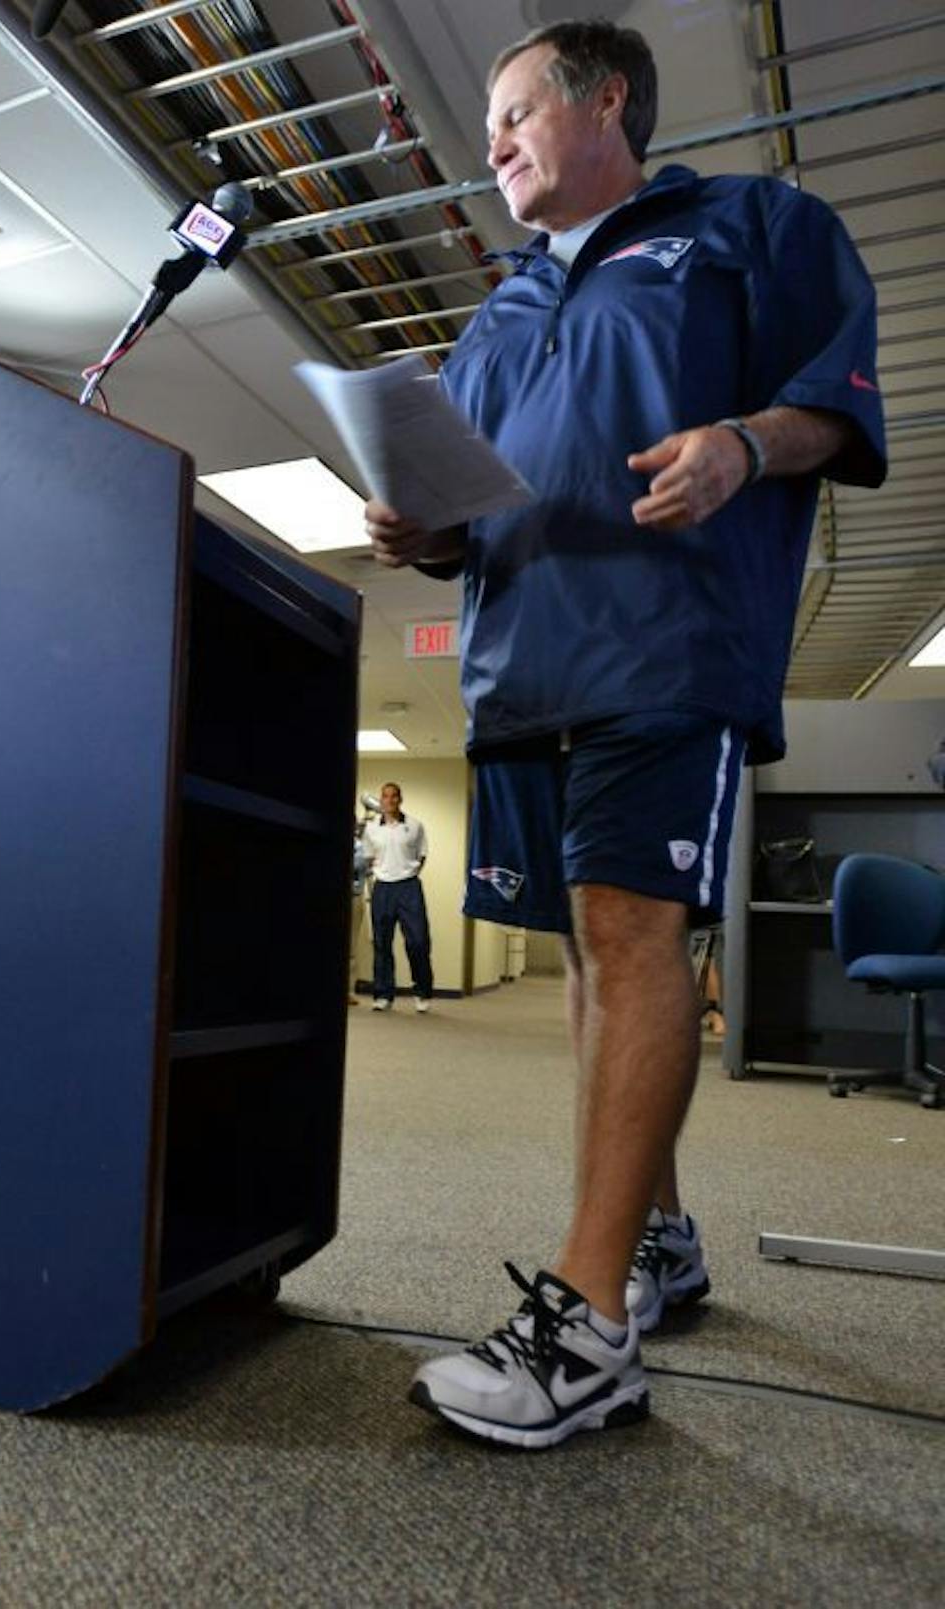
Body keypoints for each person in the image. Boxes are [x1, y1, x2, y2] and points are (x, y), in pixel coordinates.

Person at [366, 20, 886, 1448]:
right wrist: (415, 532)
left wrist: (742, 445)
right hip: (523, 667)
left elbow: (837, 405)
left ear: (607, 101)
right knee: (598, 954)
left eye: (514, 111)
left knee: (634, 932)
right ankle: (660, 1239)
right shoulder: (501, 313)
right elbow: (457, 521)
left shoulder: (744, 225)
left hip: (671, 637)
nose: (492, 145)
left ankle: (590, 1330)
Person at [360, 783, 433, 1013]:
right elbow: (369, 857)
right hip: (383, 889)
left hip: (409, 888)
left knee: (418, 941)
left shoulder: (414, 826)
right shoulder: (371, 829)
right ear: (381, 800)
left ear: (400, 799)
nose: (389, 800)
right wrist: (384, 873)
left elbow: (422, 855)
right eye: (385, 796)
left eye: (394, 796)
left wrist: (407, 873)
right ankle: (383, 995)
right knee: (382, 943)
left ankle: (422, 992)